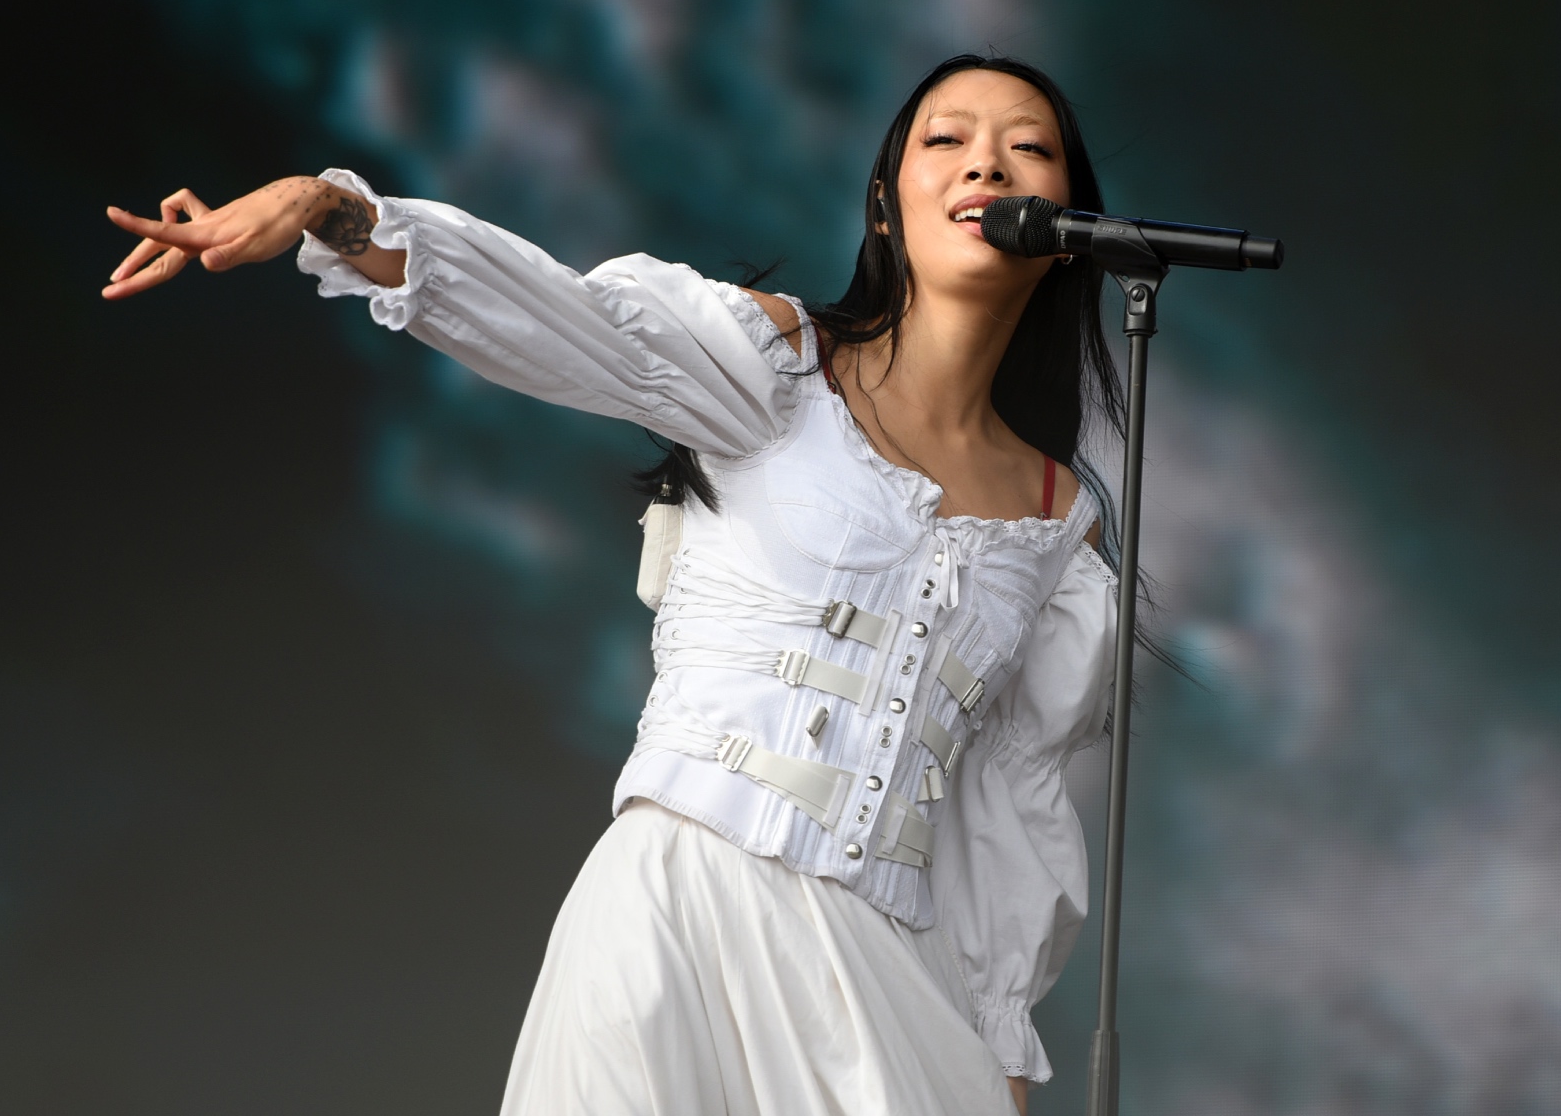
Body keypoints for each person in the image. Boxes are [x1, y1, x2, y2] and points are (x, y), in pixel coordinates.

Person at [105, 54, 1122, 1116]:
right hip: (676, 917)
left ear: (1069, 227)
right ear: (884, 204)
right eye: (946, 140)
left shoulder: (1057, 525)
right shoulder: (778, 366)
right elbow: (570, 319)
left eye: (1028, 148)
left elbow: (1005, 823)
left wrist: (1001, 1063)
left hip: (883, 981)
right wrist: (333, 210)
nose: (986, 167)